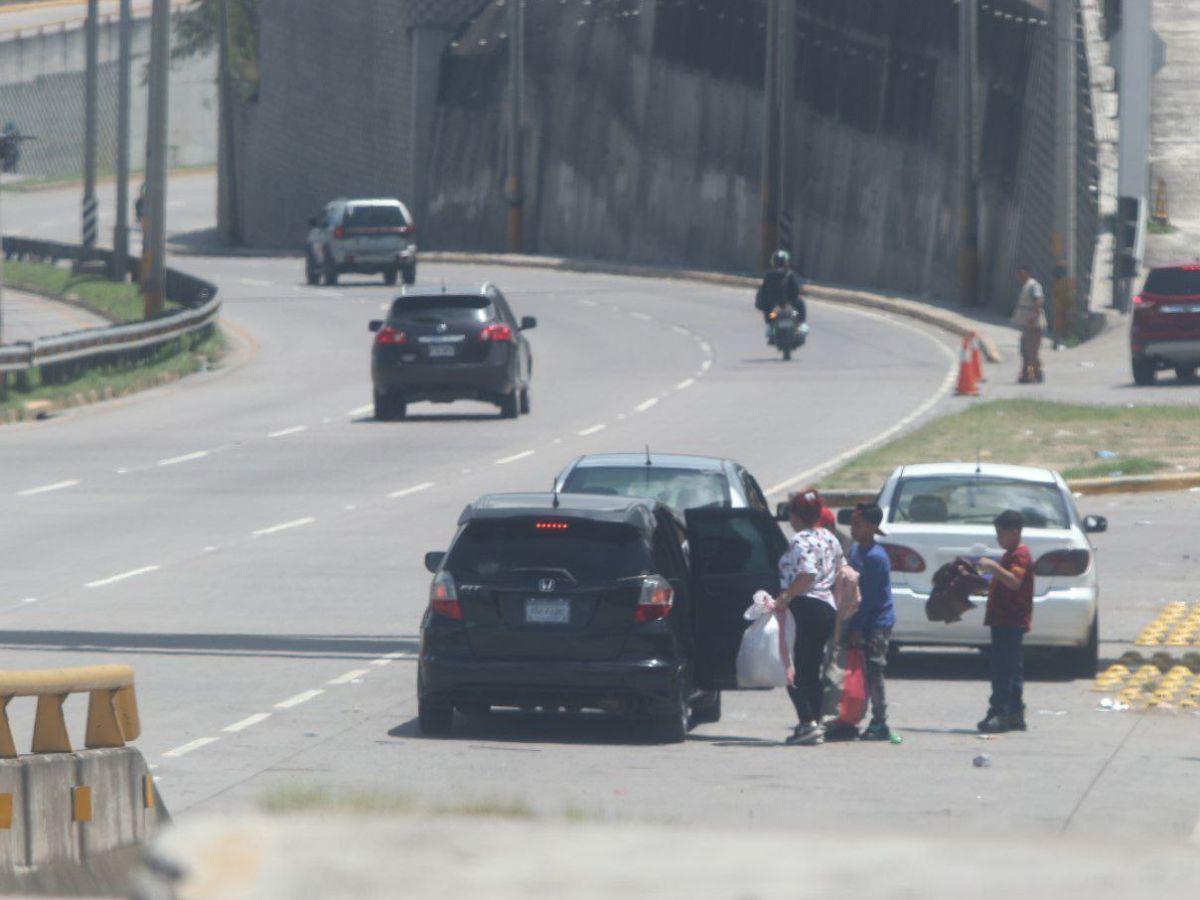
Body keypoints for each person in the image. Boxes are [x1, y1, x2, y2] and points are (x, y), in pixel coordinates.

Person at [775, 487, 844, 746]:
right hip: (826, 607)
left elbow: (807, 575)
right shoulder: (829, 537)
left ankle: (807, 721)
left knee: (793, 669)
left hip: (806, 606)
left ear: (795, 515)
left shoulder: (800, 541)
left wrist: (786, 597)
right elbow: (839, 569)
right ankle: (814, 721)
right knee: (811, 668)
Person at [976, 509, 1034, 734]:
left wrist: (992, 567)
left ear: (1015, 532)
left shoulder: (1020, 554)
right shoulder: (1010, 554)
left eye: (1001, 533)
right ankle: (1015, 713)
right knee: (1013, 668)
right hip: (1003, 618)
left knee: (1003, 669)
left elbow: (1014, 582)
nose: (998, 538)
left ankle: (1000, 712)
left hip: (1010, 620)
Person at [847, 503, 896, 741]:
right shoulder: (857, 550)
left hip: (876, 621)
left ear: (871, 527)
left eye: (857, 524)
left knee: (874, 670)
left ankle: (880, 720)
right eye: (852, 524)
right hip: (860, 618)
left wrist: (856, 628)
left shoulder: (875, 557)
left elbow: (868, 598)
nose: (852, 529)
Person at [756, 250, 806, 336]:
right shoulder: (790, 274)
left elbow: (763, 293)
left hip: (774, 313)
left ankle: (770, 326)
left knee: (769, 315)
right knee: (797, 311)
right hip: (790, 310)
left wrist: (763, 304)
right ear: (786, 262)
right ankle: (800, 324)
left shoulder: (768, 275)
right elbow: (796, 291)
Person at [1014, 265, 1046, 384]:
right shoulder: (1026, 286)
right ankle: (1029, 374)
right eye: (1019, 274)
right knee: (1025, 350)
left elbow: (1039, 300)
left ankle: (1034, 374)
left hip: (1034, 324)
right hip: (1027, 325)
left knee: (1031, 351)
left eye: (1022, 274)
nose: (1020, 277)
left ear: (1027, 273)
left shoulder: (1033, 286)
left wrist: (1033, 316)